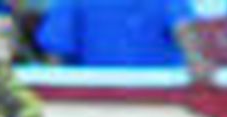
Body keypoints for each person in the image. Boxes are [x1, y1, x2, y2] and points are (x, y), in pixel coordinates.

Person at [33, 0, 213, 82]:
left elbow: (183, 28)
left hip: (161, 99)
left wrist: (195, 58)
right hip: (98, 103)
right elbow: (55, 57)